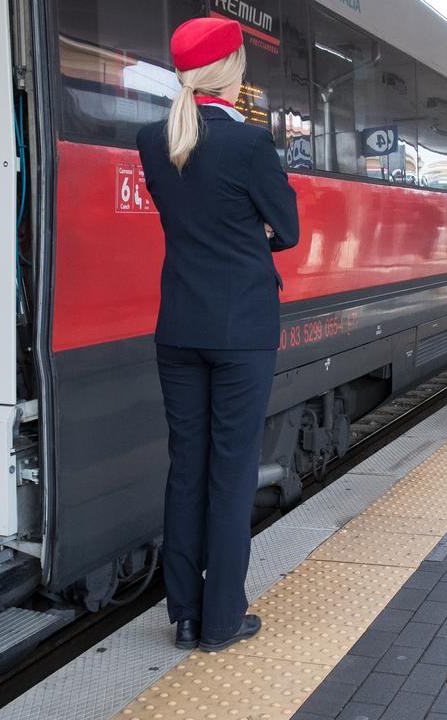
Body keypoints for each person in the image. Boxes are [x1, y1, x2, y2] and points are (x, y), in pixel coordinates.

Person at [136, 16, 299, 653]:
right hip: (241, 331)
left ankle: (182, 615)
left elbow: (186, 218)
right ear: (230, 69)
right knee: (231, 476)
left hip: (178, 326)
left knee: (186, 470)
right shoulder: (250, 146)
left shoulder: (154, 139)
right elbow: (285, 229)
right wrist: (249, 232)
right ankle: (222, 620)